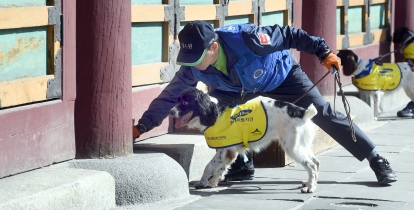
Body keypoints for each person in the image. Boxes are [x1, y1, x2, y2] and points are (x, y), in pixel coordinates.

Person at [133, 21, 398, 185]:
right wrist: (142, 126)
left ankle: (375, 158)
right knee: (217, 117)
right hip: (236, 89)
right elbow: (169, 95)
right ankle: (241, 163)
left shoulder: (248, 39)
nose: (191, 63)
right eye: (187, 57)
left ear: (214, 47)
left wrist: (322, 51)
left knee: (323, 112)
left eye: (197, 55)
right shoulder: (192, 68)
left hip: (281, 77)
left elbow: (289, 34)